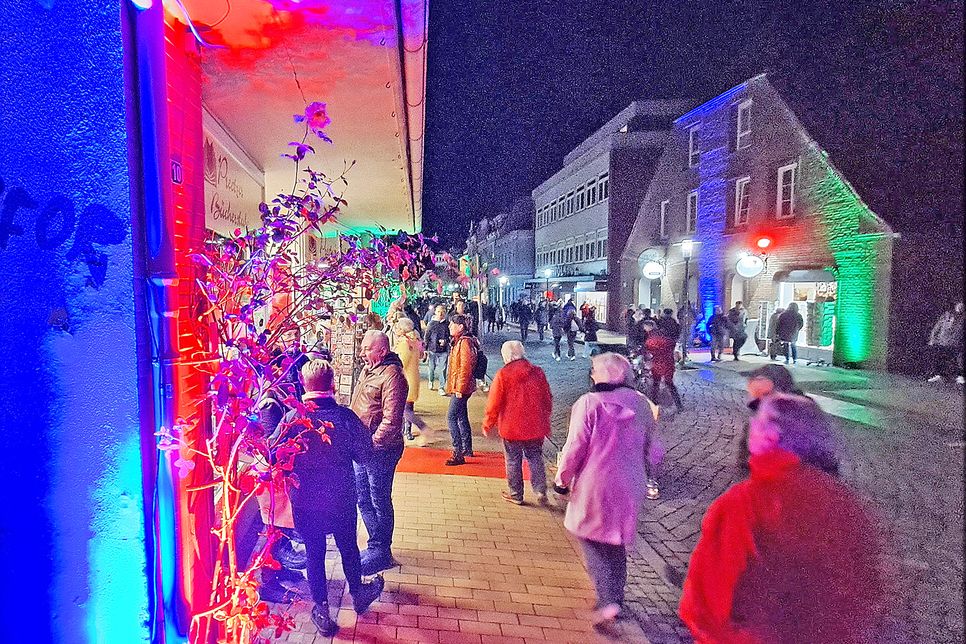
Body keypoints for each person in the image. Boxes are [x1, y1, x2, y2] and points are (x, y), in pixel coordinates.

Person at [680, 394, 882, 642]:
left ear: (772, 435)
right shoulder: (847, 504)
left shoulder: (745, 504)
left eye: (758, 420)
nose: (750, 425)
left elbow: (707, 606)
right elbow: (868, 590)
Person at [554, 353, 660, 634]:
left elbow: (575, 445)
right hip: (630, 483)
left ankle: (607, 601)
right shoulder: (640, 403)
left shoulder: (589, 404)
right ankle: (616, 597)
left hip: (595, 483)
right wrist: (647, 472)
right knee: (615, 541)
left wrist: (561, 480)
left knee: (590, 537)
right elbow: (655, 448)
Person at [278, 360, 384, 636]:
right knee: (348, 546)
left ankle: (322, 608)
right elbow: (365, 455)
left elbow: (273, 456)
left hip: (305, 501)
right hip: (342, 498)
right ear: (333, 384)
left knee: (315, 551)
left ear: (303, 384)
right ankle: (358, 593)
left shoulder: (293, 419)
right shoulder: (346, 418)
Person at [350, 330, 408, 575]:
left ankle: (382, 550)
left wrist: (371, 445)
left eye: (367, 348)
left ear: (382, 351)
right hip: (363, 449)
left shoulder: (392, 376)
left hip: (380, 452)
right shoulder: (369, 370)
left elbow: (392, 419)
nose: (363, 352)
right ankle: (376, 546)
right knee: (362, 498)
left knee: (379, 499)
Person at [482, 341, 552, 505]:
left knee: (513, 460)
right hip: (535, 426)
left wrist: (488, 424)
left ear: (511, 356)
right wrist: (545, 417)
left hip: (511, 427)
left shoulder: (503, 375)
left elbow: (494, 403)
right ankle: (540, 490)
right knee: (535, 457)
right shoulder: (537, 373)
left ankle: (516, 494)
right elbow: (547, 398)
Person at [445, 314, 479, 465]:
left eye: (452, 324)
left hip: (461, 387)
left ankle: (458, 453)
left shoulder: (464, 343)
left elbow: (465, 368)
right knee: (461, 416)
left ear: (460, 327)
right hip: (461, 386)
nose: (449, 327)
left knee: (451, 417)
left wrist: (459, 388)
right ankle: (467, 448)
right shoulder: (460, 341)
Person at [393, 318, 425, 441]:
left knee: (404, 409)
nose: (396, 330)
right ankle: (407, 431)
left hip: (405, 379)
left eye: (398, 328)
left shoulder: (404, 343)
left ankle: (423, 428)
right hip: (413, 377)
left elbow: (401, 362)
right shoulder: (415, 340)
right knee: (408, 407)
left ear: (402, 329)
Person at [644, 320, 684, 411]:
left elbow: (648, 348)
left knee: (656, 383)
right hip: (668, 362)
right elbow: (672, 344)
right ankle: (679, 404)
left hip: (657, 362)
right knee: (669, 383)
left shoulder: (651, 338)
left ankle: (653, 403)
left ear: (649, 327)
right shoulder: (664, 337)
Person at [927, 301, 964, 384]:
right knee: (938, 358)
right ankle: (938, 375)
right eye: (959, 306)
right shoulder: (946, 315)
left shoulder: (962, 318)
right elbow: (937, 327)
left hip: (954, 343)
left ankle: (959, 376)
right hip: (942, 341)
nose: (960, 308)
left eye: (962, 306)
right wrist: (932, 339)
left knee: (955, 360)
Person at [424, 305, 451, 395]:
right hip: (432, 350)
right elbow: (426, 337)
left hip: (443, 350)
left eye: (443, 311)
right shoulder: (431, 324)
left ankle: (441, 387)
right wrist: (425, 349)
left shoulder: (447, 324)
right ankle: (431, 380)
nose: (441, 313)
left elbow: (450, 336)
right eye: (439, 311)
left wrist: (446, 341)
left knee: (443, 369)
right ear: (435, 312)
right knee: (431, 368)